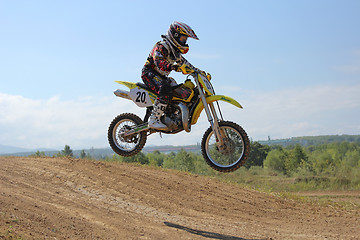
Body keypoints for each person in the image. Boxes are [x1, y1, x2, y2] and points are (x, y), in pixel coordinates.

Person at [141, 21, 199, 130]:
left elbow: (185, 64)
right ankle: (154, 119)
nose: (184, 41)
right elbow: (159, 62)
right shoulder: (162, 46)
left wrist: (198, 72)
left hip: (161, 76)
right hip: (149, 73)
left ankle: (170, 114)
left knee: (179, 90)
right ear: (175, 35)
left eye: (185, 39)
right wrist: (174, 67)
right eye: (183, 38)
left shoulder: (175, 51)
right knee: (166, 88)